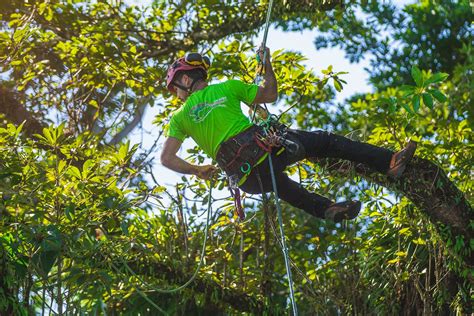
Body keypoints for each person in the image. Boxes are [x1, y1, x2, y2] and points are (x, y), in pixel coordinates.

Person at [160, 48, 417, 222]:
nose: (177, 95)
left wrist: (198, 170)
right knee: (326, 141)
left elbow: (167, 159)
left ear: (185, 80)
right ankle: (389, 162)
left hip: (245, 178)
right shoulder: (228, 87)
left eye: (175, 88)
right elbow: (270, 94)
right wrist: (267, 64)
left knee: (283, 187)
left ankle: (328, 209)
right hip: (266, 150)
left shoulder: (179, 118)